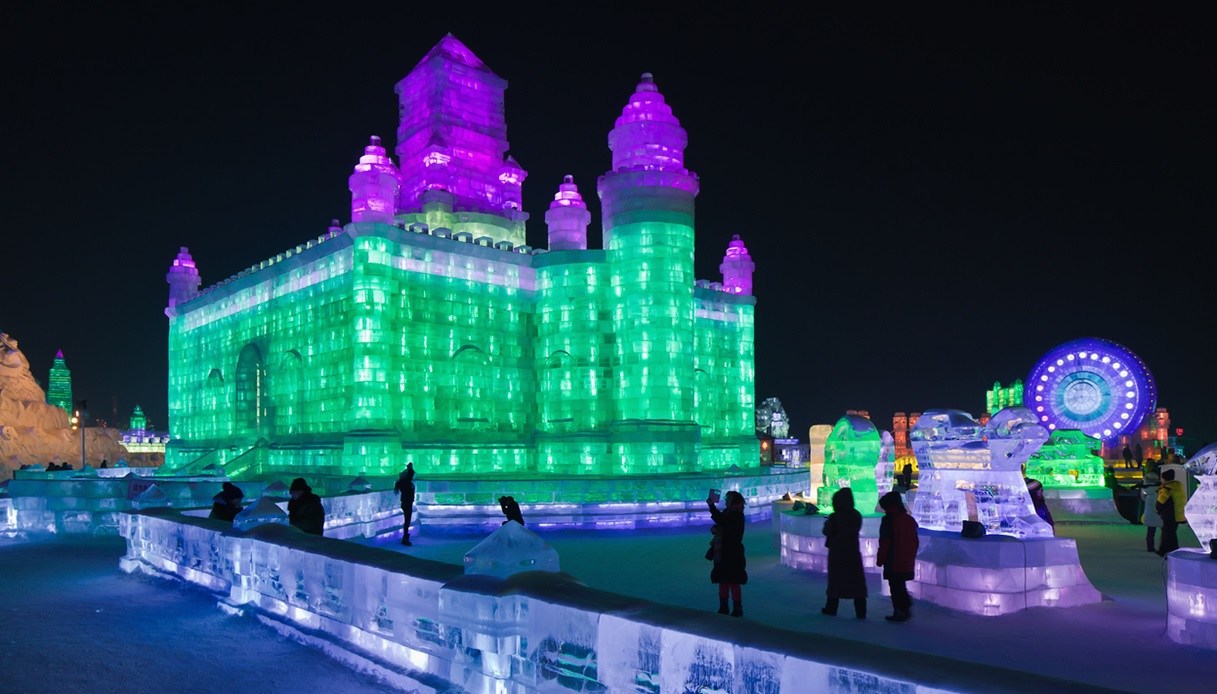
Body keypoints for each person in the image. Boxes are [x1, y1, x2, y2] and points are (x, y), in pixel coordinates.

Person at [821, 487, 867, 618]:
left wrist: (827, 523)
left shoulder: (835, 517)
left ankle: (831, 608)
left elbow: (827, 531)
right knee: (856, 583)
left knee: (836, 581)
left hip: (837, 553)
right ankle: (861, 611)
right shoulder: (856, 515)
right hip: (853, 552)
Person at [876, 490, 919, 622]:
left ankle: (900, 611)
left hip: (893, 559)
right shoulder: (909, 520)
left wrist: (880, 559)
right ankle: (904, 607)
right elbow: (915, 541)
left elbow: (885, 542)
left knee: (895, 587)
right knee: (900, 585)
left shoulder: (888, 521)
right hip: (906, 558)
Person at [707, 490, 748, 617]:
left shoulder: (736, 514)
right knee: (724, 580)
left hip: (731, 552)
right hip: (725, 551)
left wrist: (711, 506)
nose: (725, 501)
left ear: (734, 501)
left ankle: (735, 608)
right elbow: (722, 523)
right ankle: (725, 607)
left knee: (732, 580)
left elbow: (722, 521)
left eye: (728, 499)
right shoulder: (731, 513)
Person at [1155, 468, 1188, 556]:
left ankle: (1172, 552)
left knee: (1169, 534)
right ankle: (1163, 550)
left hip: (1169, 514)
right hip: (1178, 514)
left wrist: (1157, 510)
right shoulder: (1178, 486)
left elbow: (1160, 502)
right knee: (1169, 533)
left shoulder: (1167, 489)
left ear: (1164, 478)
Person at [1136, 460, 1162, 552]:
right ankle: (1162, 546)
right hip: (1158, 503)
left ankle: (1150, 547)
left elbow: (1143, 494)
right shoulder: (1158, 479)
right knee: (1161, 527)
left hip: (1150, 504)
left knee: (1151, 529)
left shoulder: (1146, 479)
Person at [393, 463, 417, 545]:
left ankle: (405, 537)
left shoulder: (402, 482)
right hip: (407, 503)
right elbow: (410, 474)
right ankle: (405, 538)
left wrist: (410, 468)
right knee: (407, 521)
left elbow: (410, 475)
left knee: (407, 521)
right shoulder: (405, 482)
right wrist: (410, 468)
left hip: (406, 503)